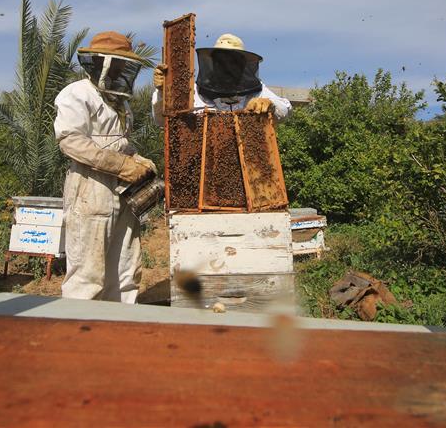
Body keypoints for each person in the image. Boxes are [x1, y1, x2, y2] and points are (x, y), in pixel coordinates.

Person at [54, 31, 155, 303]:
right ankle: (77, 335)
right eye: (119, 64)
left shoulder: (119, 100)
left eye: (126, 65)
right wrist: (121, 165)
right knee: (88, 271)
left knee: (125, 267)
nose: (123, 70)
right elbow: (71, 141)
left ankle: (118, 329)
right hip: (90, 187)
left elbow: (119, 143)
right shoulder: (77, 94)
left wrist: (137, 159)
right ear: (100, 62)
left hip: (123, 191)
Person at [151, 33, 292, 122]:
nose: (227, 67)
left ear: (242, 66)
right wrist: (163, 93)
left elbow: (285, 109)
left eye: (233, 62)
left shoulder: (257, 90)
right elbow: (161, 121)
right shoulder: (193, 92)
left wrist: (270, 105)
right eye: (221, 62)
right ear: (213, 64)